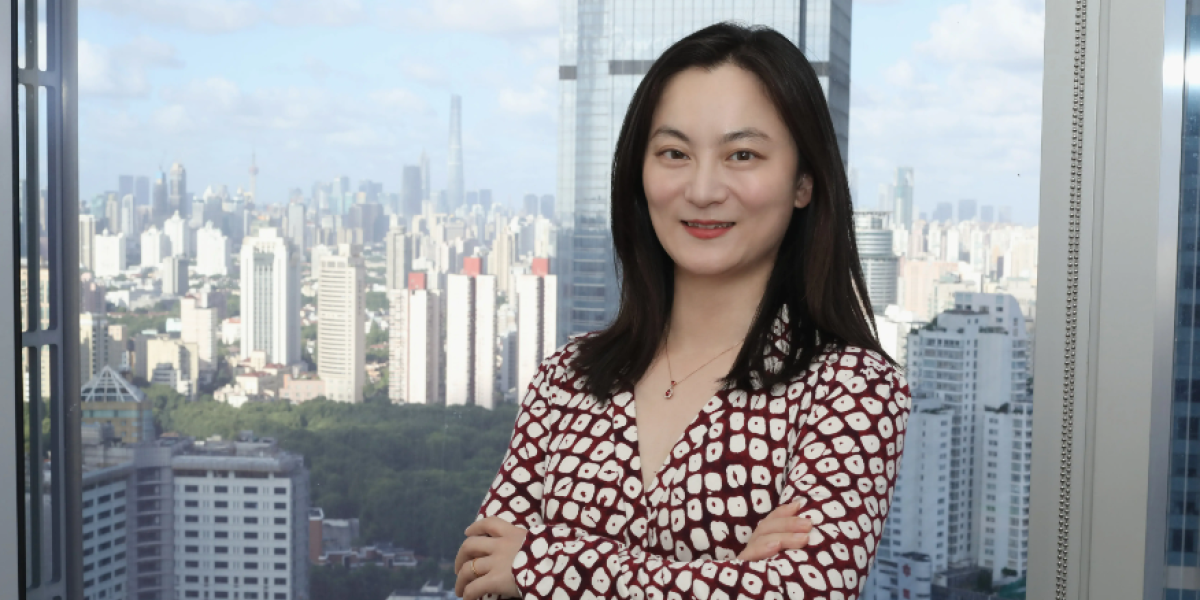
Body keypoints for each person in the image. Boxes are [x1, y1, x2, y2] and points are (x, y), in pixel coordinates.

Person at [454, 21, 911, 600]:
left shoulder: (851, 389)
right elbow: (480, 578)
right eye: (673, 153)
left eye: (741, 154)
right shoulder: (567, 377)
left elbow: (800, 592)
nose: (702, 188)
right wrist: (731, 578)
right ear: (638, 174)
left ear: (804, 182)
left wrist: (544, 568)